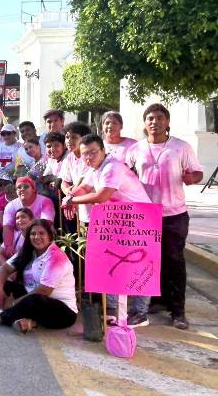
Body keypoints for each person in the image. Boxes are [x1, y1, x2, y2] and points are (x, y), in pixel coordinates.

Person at [61, 134, 152, 327]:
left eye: (93, 152)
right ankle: (113, 308)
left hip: (140, 218)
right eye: (85, 154)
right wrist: (68, 197)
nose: (89, 157)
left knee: (139, 265)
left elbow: (101, 196)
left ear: (103, 151)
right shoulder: (95, 168)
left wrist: (72, 200)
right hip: (117, 219)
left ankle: (140, 312)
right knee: (112, 261)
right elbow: (84, 187)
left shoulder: (112, 167)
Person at [125, 103, 203, 329]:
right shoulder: (136, 149)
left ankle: (178, 311)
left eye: (160, 118)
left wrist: (192, 178)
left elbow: (198, 172)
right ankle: (155, 301)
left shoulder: (181, 147)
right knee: (146, 261)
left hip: (174, 214)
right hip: (144, 215)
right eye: (150, 118)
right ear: (145, 122)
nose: (155, 122)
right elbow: (124, 174)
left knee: (174, 261)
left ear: (167, 122)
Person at [0, 219, 77, 333]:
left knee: (34, 299)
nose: (37, 237)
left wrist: (14, 303)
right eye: (33, 234)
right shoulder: (28, 251)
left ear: (50, 235)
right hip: (34, 299)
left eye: (41, 233)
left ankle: (1, 317)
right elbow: (5, 269)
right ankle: (24, 319)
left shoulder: (56, 257)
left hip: (63, 313)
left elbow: (44, 291)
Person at [1, 177, 55, 261]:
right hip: (20, 240)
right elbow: (7, 227)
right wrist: (8, 245)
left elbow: (47, 223)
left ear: (33, 189)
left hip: (41, 238)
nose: (22, 189)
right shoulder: (10, 206)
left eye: (26, 186)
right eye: (19, 187)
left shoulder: (45, 201)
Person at [59, 122, 93, 227]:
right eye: (67, 137)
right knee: (82, 235)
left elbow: (83, 182)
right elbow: (64, 181)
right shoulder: (69, 158)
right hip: (79, 208)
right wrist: (67, 192)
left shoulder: (90, 157)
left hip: (94, 207)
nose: (69, 140)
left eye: (74, 137)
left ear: (84, 139)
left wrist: (70, 197)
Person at [0, 207, 35, 277]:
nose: (20, 220)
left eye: (23, 217)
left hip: (31, 270)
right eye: (17, 218)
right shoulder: (13, 236)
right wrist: (8, 269)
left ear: (31, 220)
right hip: (14, 269)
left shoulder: (36, 236)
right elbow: (0, 255)